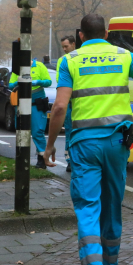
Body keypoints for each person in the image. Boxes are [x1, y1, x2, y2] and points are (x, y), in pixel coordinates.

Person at [44, 14, 133, 265]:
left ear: (81, 35)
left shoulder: (70, 61)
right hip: (118, 144)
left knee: (87, 211)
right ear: (106, 33)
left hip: (85, 146)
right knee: (112, 209)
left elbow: (59, 107)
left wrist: (48, 147)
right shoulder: (125, 56)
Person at [8, 55, 52, 169]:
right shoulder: (17, 69)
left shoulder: (39, 66)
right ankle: (22, 157)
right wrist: (19, 81)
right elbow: (10, 85)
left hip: (36, 103)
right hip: (21, 102)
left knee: (38, 131)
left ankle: (42, 159)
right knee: (21, 130)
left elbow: (48, 82)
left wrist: (36, 81)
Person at [57, 35, 77, 172]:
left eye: (66, 46)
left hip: (81, 102)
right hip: (70, 102)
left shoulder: (80, 57)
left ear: (73, 44)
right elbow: (61, 80)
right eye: (63, 47)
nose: (64, 49)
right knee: (69, 133)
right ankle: (70, 160)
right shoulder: (62, 61)